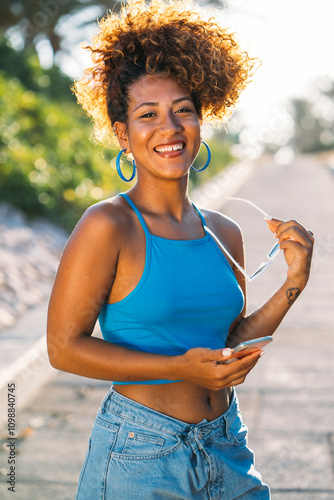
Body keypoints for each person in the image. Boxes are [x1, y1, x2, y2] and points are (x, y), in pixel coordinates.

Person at [46, 0, 314, 498]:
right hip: (140, 454)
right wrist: (177, 369)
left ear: (200, 121)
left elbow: (228, 339)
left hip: (227, 446)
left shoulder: (223, 231)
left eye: (182, 110)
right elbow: (63, 349)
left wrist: (293, 284)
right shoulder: (108, 225)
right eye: (148, 115)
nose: (169, 128)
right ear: (123, 135)